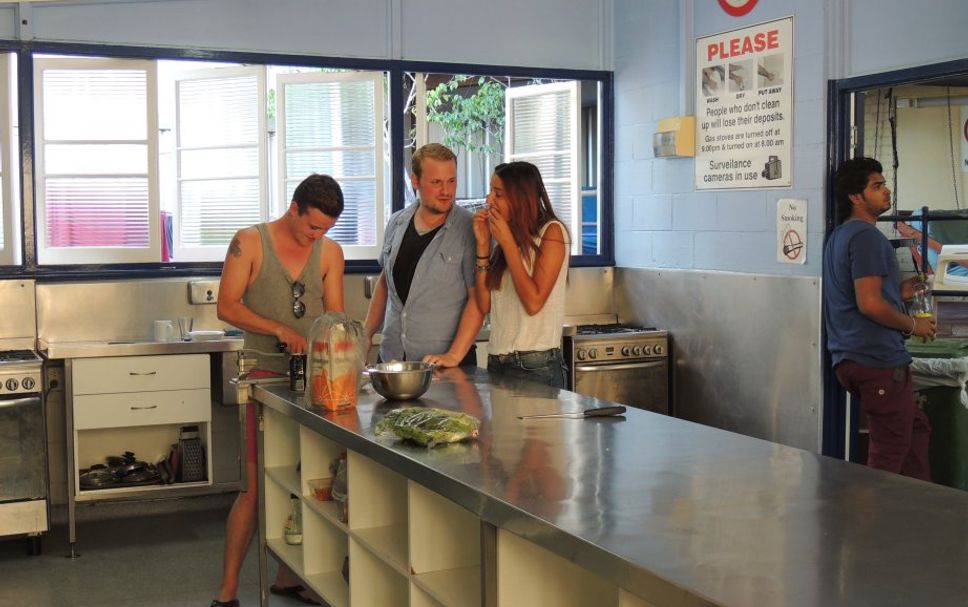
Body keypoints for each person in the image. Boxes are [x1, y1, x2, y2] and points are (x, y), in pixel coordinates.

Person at [212, 174, 346, 607]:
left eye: (324, 229)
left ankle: (290, 575)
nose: (316, 236)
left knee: (309, 480)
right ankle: (228, 591)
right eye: (311, 227)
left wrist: (344, 363)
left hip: (314, 383)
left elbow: (335, 320)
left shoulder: (330, 253)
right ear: (294, 209)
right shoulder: (249, 242)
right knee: (255, 487)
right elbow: (227, 306)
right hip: (263, 377)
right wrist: (279, 329)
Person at [823, 156, 934, 481]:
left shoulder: (841, 236)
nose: (887, 191)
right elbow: (869, 304)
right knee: (888, 453)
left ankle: (917, 510)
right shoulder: (866, 237)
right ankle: (871, 526)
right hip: (876, 360)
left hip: (854, 357)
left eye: (884, 184)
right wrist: (915, 325)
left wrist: (901, 292)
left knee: (915, 428)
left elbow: (862, 295)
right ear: (856, 197)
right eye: (877, 186)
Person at [364, 143, 482, 368]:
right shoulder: (397, 222)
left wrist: (454, 356)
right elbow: (385, 283)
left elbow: (478, 300)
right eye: (436, 182)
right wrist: (367, 333)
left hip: (445, 365)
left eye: (451, 181)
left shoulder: (470, 229)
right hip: (393, 358)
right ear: (415, 181)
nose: (446, 191)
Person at [473, 161, 570, 388]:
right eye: (490, 192)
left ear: (520, 198)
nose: (489, 201)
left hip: (535, 364)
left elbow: (533, 302)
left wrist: (507, 243)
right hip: (498, 361)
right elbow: (484, 304)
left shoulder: (552, 233)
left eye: (498, 194)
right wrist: (483, 247)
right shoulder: (508, 241)